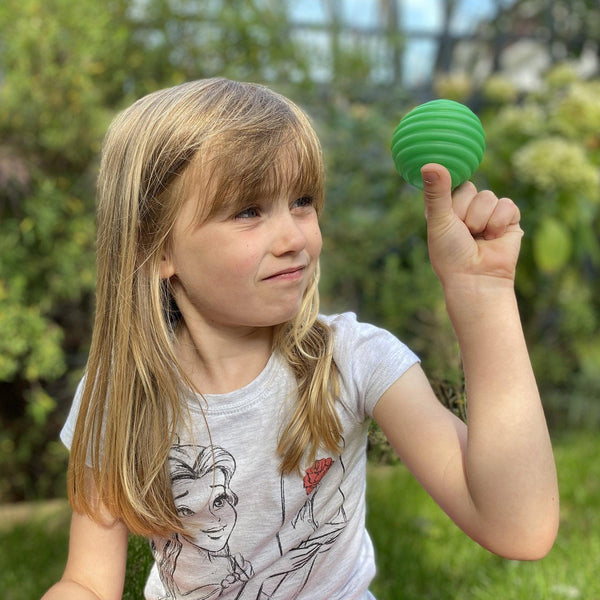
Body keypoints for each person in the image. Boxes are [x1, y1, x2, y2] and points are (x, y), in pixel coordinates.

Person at [42, 78, 559, 600]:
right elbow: (86, 582)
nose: (293, 238)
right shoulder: (119, 394)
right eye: (249, 211)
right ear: (156, 249)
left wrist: (482, 294)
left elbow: (519, 527)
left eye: (302, 201)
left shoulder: (353, 360)